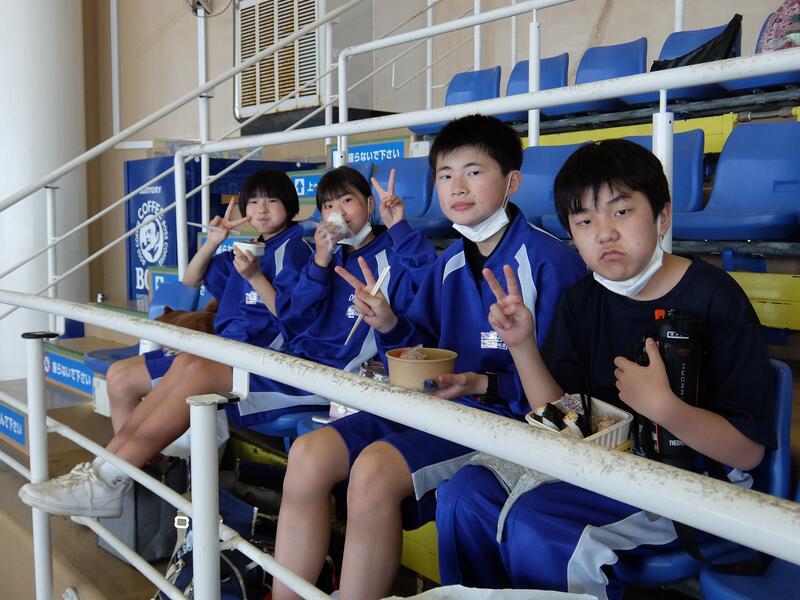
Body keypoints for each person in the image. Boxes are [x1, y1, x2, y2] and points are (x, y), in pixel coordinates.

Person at [435, 139, 776, 599]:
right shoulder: (582, 300)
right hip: (599, 463)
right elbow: (562, 417)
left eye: (621, 212)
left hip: (693, 480)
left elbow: (748, 453)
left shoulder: (716, 297)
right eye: (584, 221)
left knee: (541, 522)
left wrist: (665, 408)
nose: (605, 233)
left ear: (662, 217)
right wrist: (522, 346)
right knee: (464, 495)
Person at [271, 114, 586, 600]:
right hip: (438, 406)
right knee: (308, 454)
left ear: (512, 182)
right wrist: (387, 323)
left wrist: (487, 384)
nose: (457, 187)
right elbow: (421, 345)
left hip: (504, 424)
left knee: (374, 469)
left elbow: (567, 398)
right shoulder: (450, 261)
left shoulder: (552, 261)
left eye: (474, 172)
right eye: (445, 175)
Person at [19, 169, 312, 518]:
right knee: (119, 376)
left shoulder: (297, 249)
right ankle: (123, 480)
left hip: (260, 359)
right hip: (223, 350)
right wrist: (213, 242)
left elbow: (292, 318)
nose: (261, 209)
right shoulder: (249, 248)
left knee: (189, 365)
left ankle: (111, 479)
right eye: (254, 202)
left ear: (289, 205)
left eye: (272, 200)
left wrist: (254, 277)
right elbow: (190, 278)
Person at [224, 165, 436, 429]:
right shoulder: (324, 258)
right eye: (328, 206)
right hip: (299, 364)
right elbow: (293, 321)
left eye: (347, 200)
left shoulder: (394, 254)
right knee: (195, 368)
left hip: (341, 376)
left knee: (204, 373)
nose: (338, 213)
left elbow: (432, 286)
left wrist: (399, 227)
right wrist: (320, 262)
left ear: (370, 204)